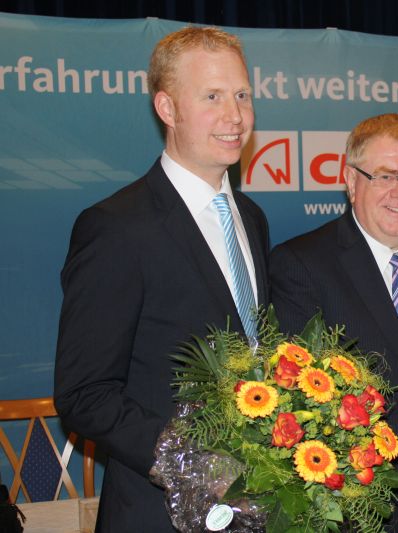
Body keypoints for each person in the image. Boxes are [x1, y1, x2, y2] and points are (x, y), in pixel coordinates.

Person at [54, 27, 270, 532]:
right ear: (167, 109)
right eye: (212, 97)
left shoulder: (251, 217)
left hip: (258, 508)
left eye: (242, 95)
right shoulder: (116, 227)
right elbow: (85, 394)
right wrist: (196, 464)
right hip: (157, 515)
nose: (235, 115)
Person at [269, 113, 398, 532]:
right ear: (350, 180)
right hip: (356, 515)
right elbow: (295, 409)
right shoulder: (301, 265)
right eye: (385, 176)